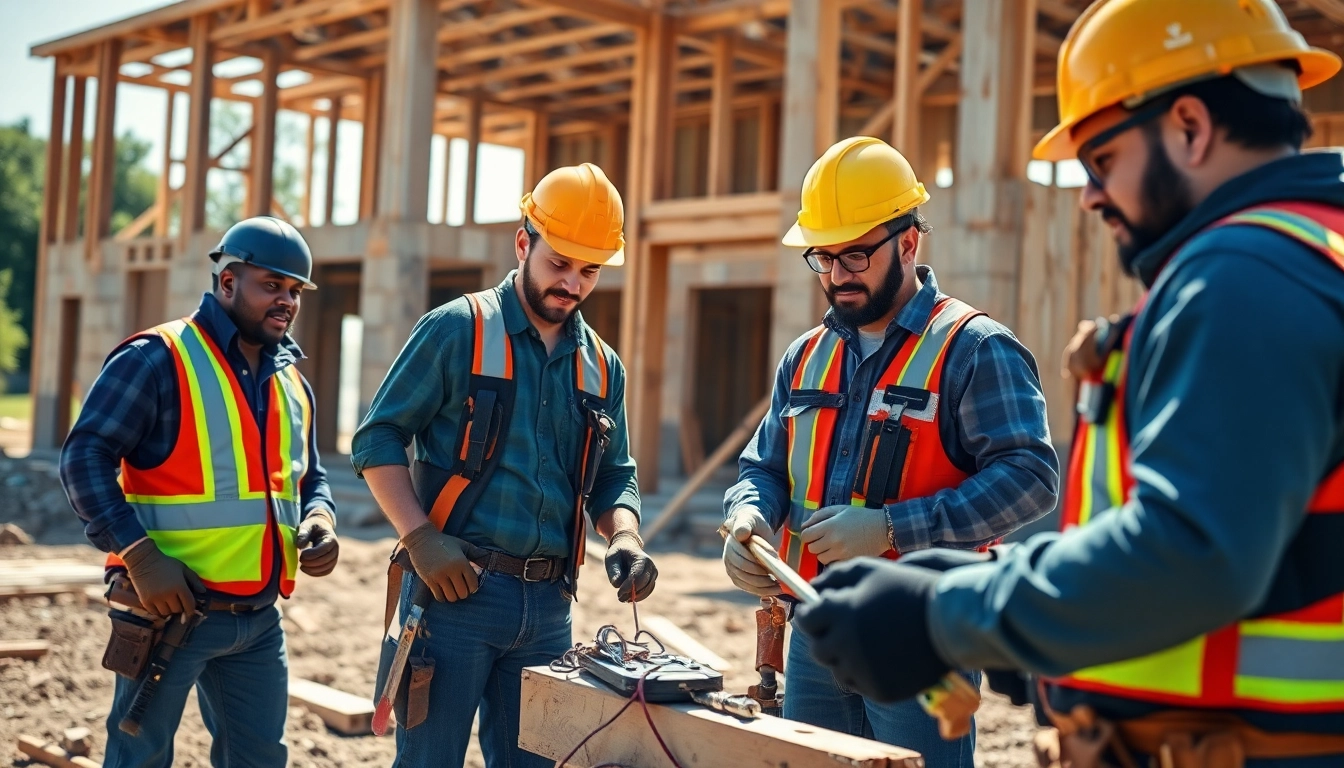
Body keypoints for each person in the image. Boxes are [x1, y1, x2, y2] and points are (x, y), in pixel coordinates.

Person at [791, 1, 1344, 766]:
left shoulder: (1241, 280)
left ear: (1189, 126)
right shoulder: (1314, 253)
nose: (1086, 194)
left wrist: (944, 611)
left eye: (1101, 161)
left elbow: (1193, 550)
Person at [721, 136, 1059, 766]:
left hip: (922, 639)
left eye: (854, 254)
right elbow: (762, 467)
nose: (837, 275)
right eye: (822, 258)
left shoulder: (974, 348)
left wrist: (889, 529)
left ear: (909, 242)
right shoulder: (806, 356)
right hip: (815, 636)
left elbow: (1031, 478)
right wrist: (749, 517)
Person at [352, 162, 658, 768]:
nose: (572, 283)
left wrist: (625, 536)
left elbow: (613, 474)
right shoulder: (455, 331)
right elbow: (378, 439)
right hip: (453, 594)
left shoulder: (602, 366)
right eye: (559, 263)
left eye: (589, 270)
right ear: (523, 242)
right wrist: (419, 539)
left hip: (549, 610)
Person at [60, 216, 339, 768]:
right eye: (271, 285)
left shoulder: (291, 380)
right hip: (171, 613)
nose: (286, 301)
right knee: (139, 757)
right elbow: (83, 458)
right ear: (228, 282)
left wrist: (321, 519)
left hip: (259, 621)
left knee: (259, 759)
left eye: (295, 291)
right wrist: (140, 557)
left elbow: (308, 476)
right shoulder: (158, 359)